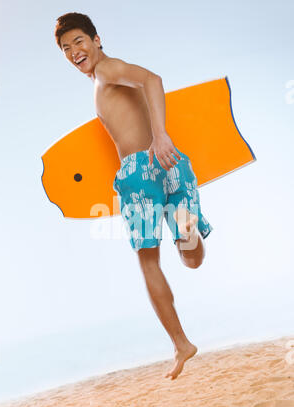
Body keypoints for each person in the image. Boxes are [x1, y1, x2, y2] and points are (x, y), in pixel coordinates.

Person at [55, 12, 213, 380]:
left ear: (96, 39)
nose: (74, 51)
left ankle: (181, 344)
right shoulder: (105, 76)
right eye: (65, 48)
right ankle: (185, 228)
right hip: (173, 164)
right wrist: (162, 141)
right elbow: (147, 86)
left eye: (79, 41)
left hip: (139, 172)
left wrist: (159, 136)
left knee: (148, 261)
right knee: (192, 260)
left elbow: (152, 79)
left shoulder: (107, 70)